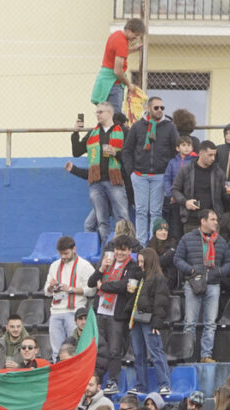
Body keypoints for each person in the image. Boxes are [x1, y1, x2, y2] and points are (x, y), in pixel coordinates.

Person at [175, 209, 230, 363]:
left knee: (210, 324)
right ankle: (188, 356)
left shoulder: (220, 241)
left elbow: (229, 263)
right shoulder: (188, 238)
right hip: (193, 284)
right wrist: (191, 270)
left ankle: (206, 355)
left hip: (213, 285)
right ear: (203, 221)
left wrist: (219, 271)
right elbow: (178, 259)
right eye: (212, 219)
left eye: (216, 220)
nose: (216, 222)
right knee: (190, 323)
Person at [72, 102, 130, 242]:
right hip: (96, 181)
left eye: (101, 112)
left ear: (110, 113)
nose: (98, 115)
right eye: (97, 112)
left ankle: (125, 246)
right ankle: (108, 249)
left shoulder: (123, 131)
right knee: (101, 219)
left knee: (121, 216)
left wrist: (115, 153)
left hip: (115, 180)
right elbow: (77, 151)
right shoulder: (93, 132)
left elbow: (129, 156)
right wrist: (75, 132)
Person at [123, 97, 178, 245]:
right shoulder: (137, 127)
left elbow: (176, 150)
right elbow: (127, 150)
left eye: (162, 108)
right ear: (148, 108)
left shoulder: (169, 127)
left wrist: (169, 172)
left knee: (156, 211)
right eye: (156, 108)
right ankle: (141, 244)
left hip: (160, 176)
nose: (160, 110)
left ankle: (155, 243)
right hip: (139, 175)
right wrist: (131, 172)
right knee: (140, 211)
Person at [90, 235, 136, 391]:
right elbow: (91, 282)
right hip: (100, 311)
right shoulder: (108, 262)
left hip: (117, 315)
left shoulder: (132, 266)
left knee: (114, 350)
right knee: (99, 350)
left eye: (123, 250)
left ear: (129, 251)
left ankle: (113, 381)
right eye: (117, 249)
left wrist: (103, 286)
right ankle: (96, 382)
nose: (119, 253)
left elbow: (123, 286)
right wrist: (102, 268)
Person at [127, 248, 172, 394]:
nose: (140, 264)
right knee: (138, 354)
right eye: (139, 261)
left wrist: (157, 322)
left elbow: (161, 302)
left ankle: (164, 384)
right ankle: (140, 385)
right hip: (137, 320)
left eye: (142, 261)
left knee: (155, 352)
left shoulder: (159, 278)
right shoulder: (141, 277)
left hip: (149, 321)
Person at [44, 236, 95, 359]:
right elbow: (47, 292)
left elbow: (92, 290)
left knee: (75, 351)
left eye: (66, 253)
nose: (64, 257)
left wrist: (71, 289)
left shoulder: (85, 266)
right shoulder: (54, 265)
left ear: (74, 249)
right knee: (57, 353)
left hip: (74, 312)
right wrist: (51, 287)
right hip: (56, 312)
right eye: (61, 254)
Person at [90, 18, 144, 113]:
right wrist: (129, 84)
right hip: (113, 84)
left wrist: (133, 49)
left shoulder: (116, 35)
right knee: (115, 117)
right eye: (135, 35)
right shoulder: (122, 43)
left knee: (103, 115)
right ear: (128, 30)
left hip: (104, 82)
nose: (135, 38)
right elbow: (118, 71)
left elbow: (118, 54)